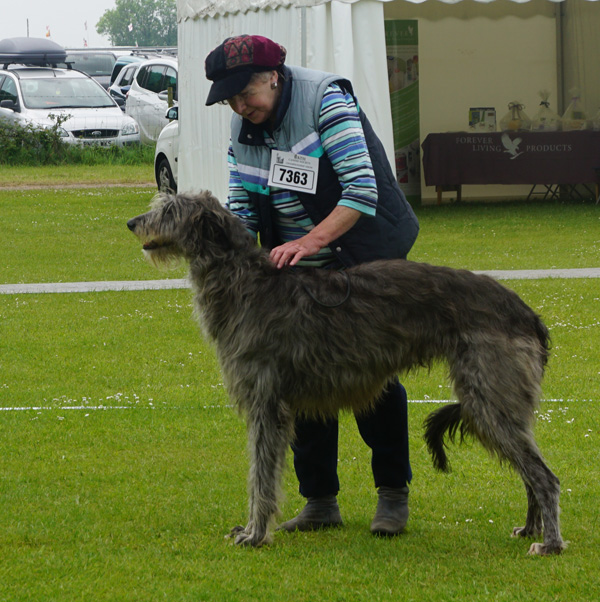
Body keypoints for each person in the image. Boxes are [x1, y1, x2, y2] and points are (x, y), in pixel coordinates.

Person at [205, 34, 419, 536]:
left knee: (374, 377)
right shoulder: (244, 128)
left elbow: (361, 189)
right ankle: (320, 500)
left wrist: (309, 241)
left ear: (273, 78)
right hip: (297, 263)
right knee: (299, 376)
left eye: (245, 94)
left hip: (364, 252)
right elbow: (242, 206)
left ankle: (392, 496)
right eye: (230, 99)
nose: (239, 106)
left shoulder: (326, 100)